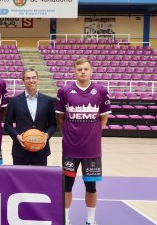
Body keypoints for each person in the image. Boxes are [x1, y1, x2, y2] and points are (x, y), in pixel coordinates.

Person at [56, 58, 111, 225]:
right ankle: (65, 219)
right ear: (74, 71)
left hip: (92, 150)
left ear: (91, 71)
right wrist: (68, 133)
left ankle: (90, 220)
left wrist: (92, 134)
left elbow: (104, 119)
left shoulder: (100, 90)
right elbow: (60, 117)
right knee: (67, 187)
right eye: (79, 69)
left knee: (91, 187)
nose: (83, 72)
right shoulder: (65, 90)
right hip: (70, 149)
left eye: (86, 69)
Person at [4, 68, 57, 166]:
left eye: (34, 78)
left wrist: (46, 135)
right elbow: (7, 125)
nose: (31, 80)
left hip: (40, 148)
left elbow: (53, 125)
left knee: (39, 180)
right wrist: (17, 136)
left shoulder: (47, 101)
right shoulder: (14, 101)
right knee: (20, 180)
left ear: (38, 79)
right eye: (28, 78)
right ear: (23, 81)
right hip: (20, 148)